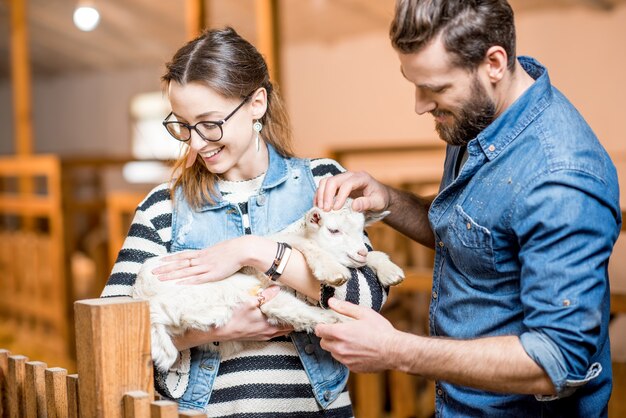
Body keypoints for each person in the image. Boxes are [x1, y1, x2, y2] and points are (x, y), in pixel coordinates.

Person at [314, 0, 621, 416]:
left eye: (436, 88)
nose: (420, 105)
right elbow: (474, 239)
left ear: (494, 63)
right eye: (414, 83)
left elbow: (558, 360)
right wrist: (388, 199)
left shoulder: (561, 176)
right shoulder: (478, 116)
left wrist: (395, 350)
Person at [101, 27, 388, 417]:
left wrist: (255, 251)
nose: (196, 143)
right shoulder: (162, 208)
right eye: (183, 125)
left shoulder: (321, 182)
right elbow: (110, 332)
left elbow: (367, 299)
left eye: (209, 123)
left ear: (256, 103)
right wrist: (220, 329)